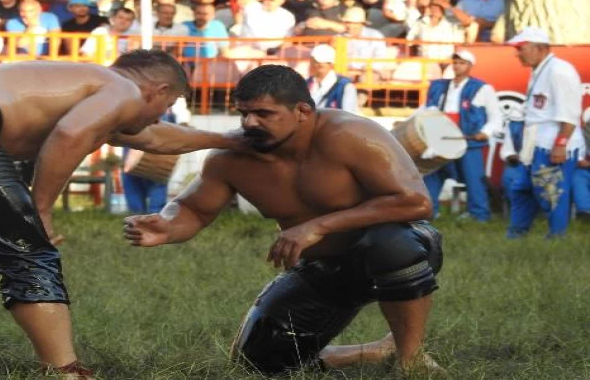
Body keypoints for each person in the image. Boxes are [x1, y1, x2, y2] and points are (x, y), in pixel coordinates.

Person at [0, 49, 243, 379]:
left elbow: (153, 138)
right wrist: (40, 207)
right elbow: (70, 134)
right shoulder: (121, 87)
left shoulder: (82, 85)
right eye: (168, 105)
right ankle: (65, 373)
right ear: (158, 91)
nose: (162, 115)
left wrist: (229, 140)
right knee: (28, 253)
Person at [124, 64, 444, 376]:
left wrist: (318, 225)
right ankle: (373, 351)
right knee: (258, 363)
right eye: (243, 113)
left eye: (264, 114)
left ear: (302, 111)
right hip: (322, 267)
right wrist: (166, 225)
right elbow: (194, 210)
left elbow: (415, 202)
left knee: (388, 243)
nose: (250, 122)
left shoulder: (352, 134)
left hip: (400, 243)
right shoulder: (230, 157)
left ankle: (411, 358)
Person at [504, 27, 584, 239]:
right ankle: (516, 233)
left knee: (552, 192)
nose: (517, 53)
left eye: (521, 48)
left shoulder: (559, 71)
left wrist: (561, 143)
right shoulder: (540, 69)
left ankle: (557, 237)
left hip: (552, 142)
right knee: (521, 188)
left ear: (539, 48)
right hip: (535, 141)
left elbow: (569, 113)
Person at [421, 50, 501, 221]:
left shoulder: (482, 88)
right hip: (440, 138)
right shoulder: (438, 86)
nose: (457, 65)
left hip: (468, 141)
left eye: (462, 62)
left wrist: (484, 132)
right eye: (455, 62)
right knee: (432, 174)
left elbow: (496, 117)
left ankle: (479, 214)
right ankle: (428, 211)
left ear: (471, 66)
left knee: (473, 178)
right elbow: (424, 110)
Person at [306, 44, 359, 114]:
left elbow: (349, 116)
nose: (318, 65)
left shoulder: (345, 86)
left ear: (331, 64)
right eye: (315, 62)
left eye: (322, 63)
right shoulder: (306, 84)